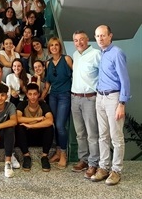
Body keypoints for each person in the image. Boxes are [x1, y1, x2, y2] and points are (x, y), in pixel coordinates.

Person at [91, 25, 131, 185]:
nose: (100, 38)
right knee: (103, 135)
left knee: (116, 137)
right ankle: (103, 167)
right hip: (100, 97)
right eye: (97, 36)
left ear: (110, 36)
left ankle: (116, 171)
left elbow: (125, 80)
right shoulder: (101, 53)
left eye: (103, 35)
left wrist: (122, 103)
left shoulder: (117, 53)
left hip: (114, 98)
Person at [71, 30, 101, 179]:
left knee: (92, 134)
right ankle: (83, 159)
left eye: (81, 39)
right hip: (75, 98)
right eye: (76, 40)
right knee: (80, 133)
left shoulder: (96, 54)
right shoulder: (76, 55)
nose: (79, 42)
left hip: (90, 99)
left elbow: (104, 75)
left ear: (88, 39)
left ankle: (93, 163)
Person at [41, 37, 73, 169]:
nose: (54, 47)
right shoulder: (48, 63)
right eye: (51, 45)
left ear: (60, 47)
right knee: (54, 124)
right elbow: (48, 82)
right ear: (49, 48)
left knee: (60, 125)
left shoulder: (67, 59)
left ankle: (64, 154)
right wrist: (42, 96)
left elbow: (76, 74)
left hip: (65, 95)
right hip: (53, 96)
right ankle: (58, 152)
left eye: (56, 45)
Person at [16, 83, 54, 171]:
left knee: (49, 127)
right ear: (26, 95)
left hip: (40, 137)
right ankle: (26, 156)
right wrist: (38, 119)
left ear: (39, 95)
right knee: (20, 127)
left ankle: (44, 157)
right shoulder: (22, 104)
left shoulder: (43, 105)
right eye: (30, 94)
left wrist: (31, 125)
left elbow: (49, 120)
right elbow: (17, 119)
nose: (32, 97)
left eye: (35, 94)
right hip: (26, 138)